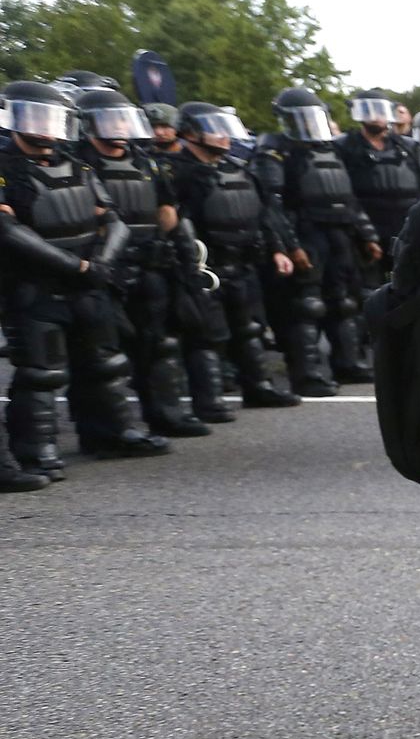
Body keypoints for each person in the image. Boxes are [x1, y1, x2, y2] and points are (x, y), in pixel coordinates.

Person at [1, 80, 171, 478]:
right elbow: (9, 231)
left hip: (89, 280)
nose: (43, 127)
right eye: (35, 117)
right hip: (35, 285)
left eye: (50, 117)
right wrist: (75, 267)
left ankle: (112, 433)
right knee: (42, 373)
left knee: (106, 362)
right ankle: (35, 450)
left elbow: (113, 219)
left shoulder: (78, 165)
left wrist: (100, 264)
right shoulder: (6, 169)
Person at [72, 87, 212, 438]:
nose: (118, 127)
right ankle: (106, 431)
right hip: (103, 269)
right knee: (103, 355)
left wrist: (183, 257)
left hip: (150, 265)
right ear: (88, 124)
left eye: (122, 119)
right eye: (110, 120)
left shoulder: (145, 160)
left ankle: (166, 415)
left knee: (159, 344)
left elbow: (167, 211)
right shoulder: (77, 163)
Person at [171, 103, 303, 410]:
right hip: (206, 267)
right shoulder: (177, 173)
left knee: (250, 329)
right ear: (191, 132)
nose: (224, 136)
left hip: (244, 263)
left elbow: (264, 215)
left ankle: (259, 387)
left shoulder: (239, 168)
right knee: (206, 335)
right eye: (214, 129)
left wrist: (278, 250)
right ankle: (210, 401)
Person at [254, 88, 379, 387]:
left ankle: (348, 363)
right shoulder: (275, 150)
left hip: (340, 233)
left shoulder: (331, 150)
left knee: (345, 302)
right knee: (306, 306)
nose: (309, 123)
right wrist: (290, 246)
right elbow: (272, 204)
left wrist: (367, 235)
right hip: (305, 232)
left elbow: (348, 198)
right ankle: (307, 373)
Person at [335, 91, 420, 261]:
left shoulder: (409, 147)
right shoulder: (344, 146)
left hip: (408, 228)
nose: (374, 116)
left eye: (379, 110)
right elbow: (342, 193)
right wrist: (366, 233)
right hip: (364, 230)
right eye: (367, 110)